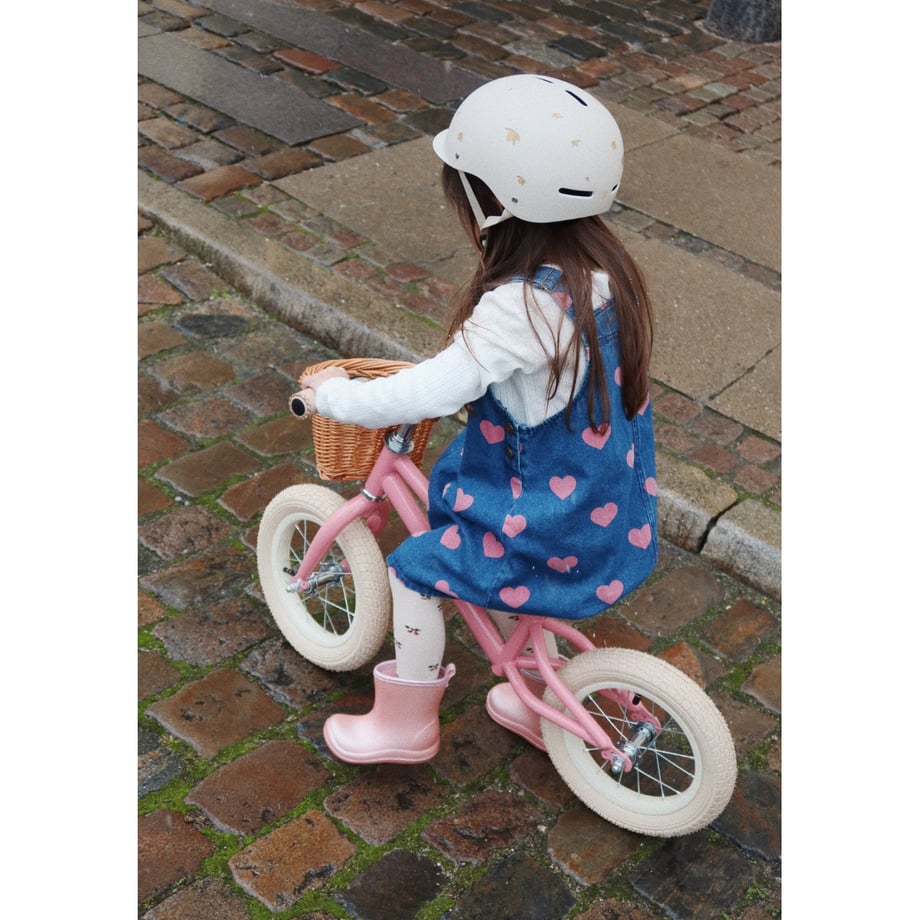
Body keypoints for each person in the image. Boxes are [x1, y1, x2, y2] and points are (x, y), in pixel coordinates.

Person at [296, 74, 658, 765]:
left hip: (545, 526)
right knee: (500, 570)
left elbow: (428, 392)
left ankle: (406, 727)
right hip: (602, 510)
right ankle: (538, 698)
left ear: (491, 202)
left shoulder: (518, 310)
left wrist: (337, 397)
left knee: (414, 570)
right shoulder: (604, 277)